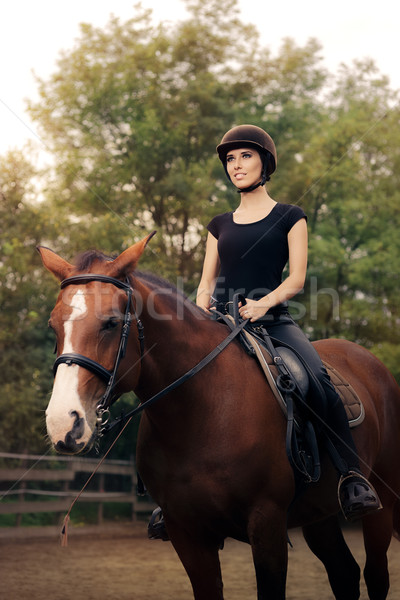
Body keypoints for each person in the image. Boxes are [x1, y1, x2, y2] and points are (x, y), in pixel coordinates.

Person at [196, 124, 382, 521]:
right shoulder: (218, 224)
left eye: (245, 155)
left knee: (316, 378)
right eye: (230, 159)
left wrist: (263, 305)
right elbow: (205, 284)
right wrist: (203, 312)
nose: (236, 165)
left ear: (265, 162)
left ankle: (351, 476)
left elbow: (296, 279)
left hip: (273, 321)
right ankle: (173, 495)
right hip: (221, 325)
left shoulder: (290, 216)